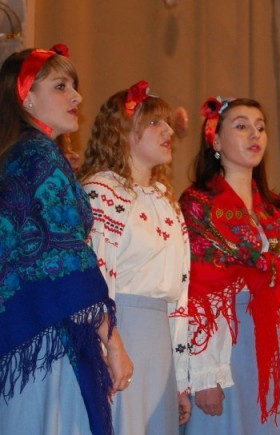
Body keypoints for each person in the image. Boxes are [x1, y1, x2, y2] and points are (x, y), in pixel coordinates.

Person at [0, 46, 132, 434]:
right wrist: (113, 342)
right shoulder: (40, 155)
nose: (76, 97)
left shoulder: (15, 155)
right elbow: (67, 257)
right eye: (61, 86)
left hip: (22, 330)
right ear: (25, 96)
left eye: (74, 86)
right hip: (48, 335)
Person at [180, 97, 280, 434]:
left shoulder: (274, 211)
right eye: (241, 126)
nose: (254, 134)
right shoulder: (198, 205)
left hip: (278, 343)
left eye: (260, 127)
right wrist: (203, 374)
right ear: (216, 140)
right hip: (228, 347)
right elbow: (196, 292)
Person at [77, 80, 192, 434]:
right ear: (122, 131)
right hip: (120, 331)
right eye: (155, 122)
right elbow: (94, 281)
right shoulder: (101, 192)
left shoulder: (165, 199)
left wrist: (181, 376)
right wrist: (108, 349)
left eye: (167, 123)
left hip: (159, 339)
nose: (168, 130)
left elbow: (180, 292)